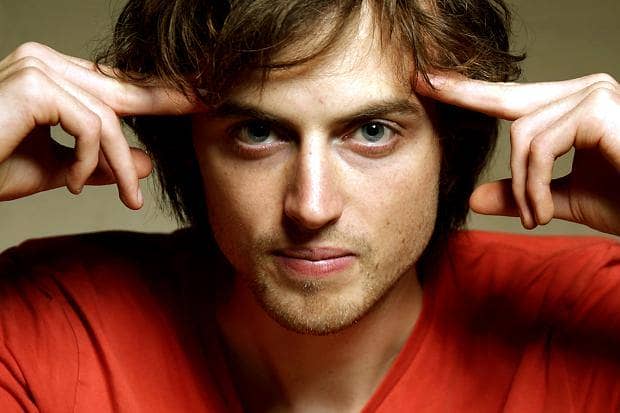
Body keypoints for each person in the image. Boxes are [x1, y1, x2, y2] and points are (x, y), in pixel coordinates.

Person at [0, 0, 618, 411]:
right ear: (188, 146)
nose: (312, 207)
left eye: (372, 132)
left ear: (448, 145)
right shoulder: (50, 325)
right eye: (258, 133)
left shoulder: (590, 319)